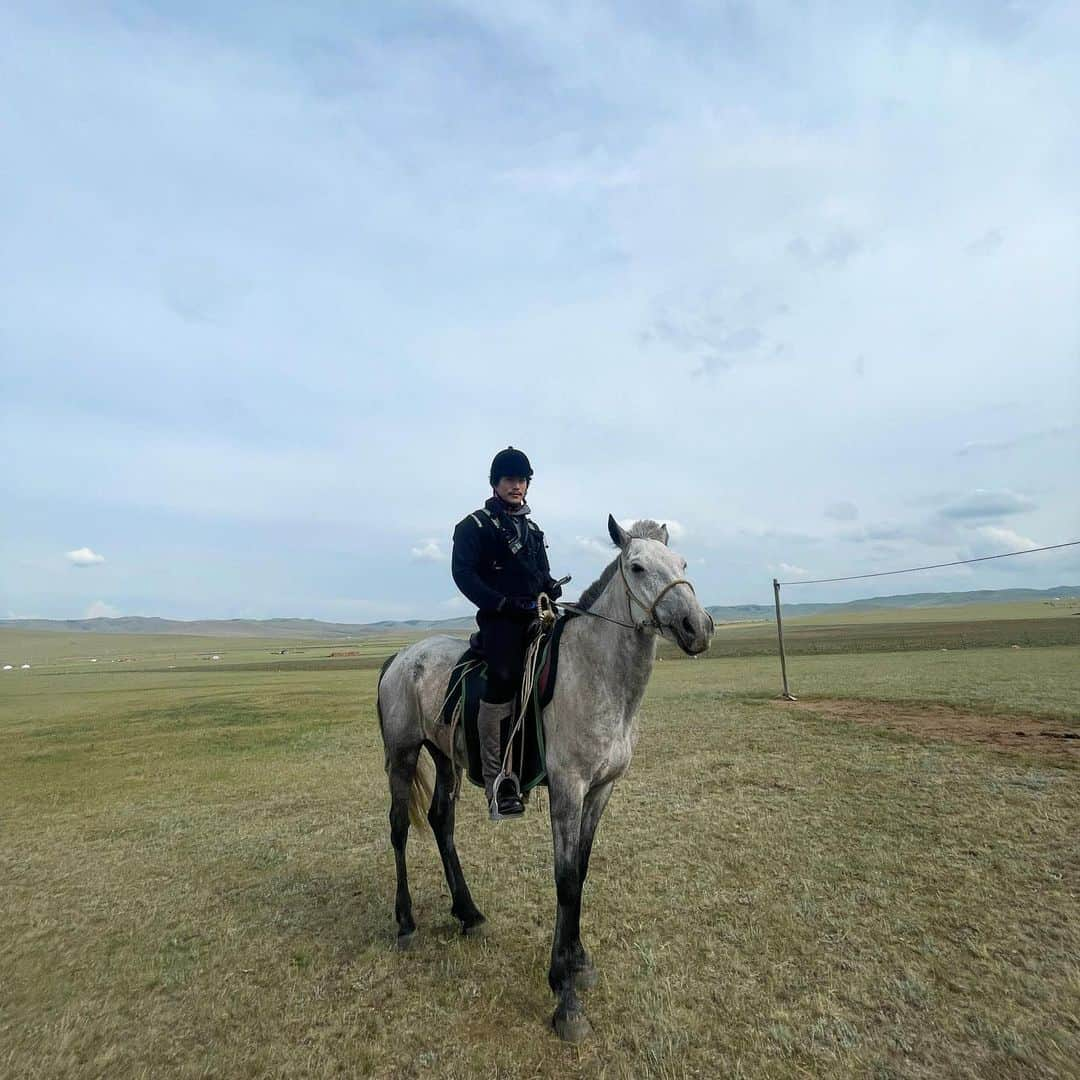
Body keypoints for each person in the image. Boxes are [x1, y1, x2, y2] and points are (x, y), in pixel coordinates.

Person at [451, 447, 563, 820]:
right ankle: (498, 778)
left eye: (522, 480)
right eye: (509, 479)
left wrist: (550, 586)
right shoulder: (474, 526)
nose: (517, 486)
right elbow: (464, 575)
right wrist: (501, 604)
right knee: (503, 675)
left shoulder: (532, 530)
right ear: (495, 483)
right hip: (500, 620)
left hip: (536, 617)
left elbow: (540, 575)